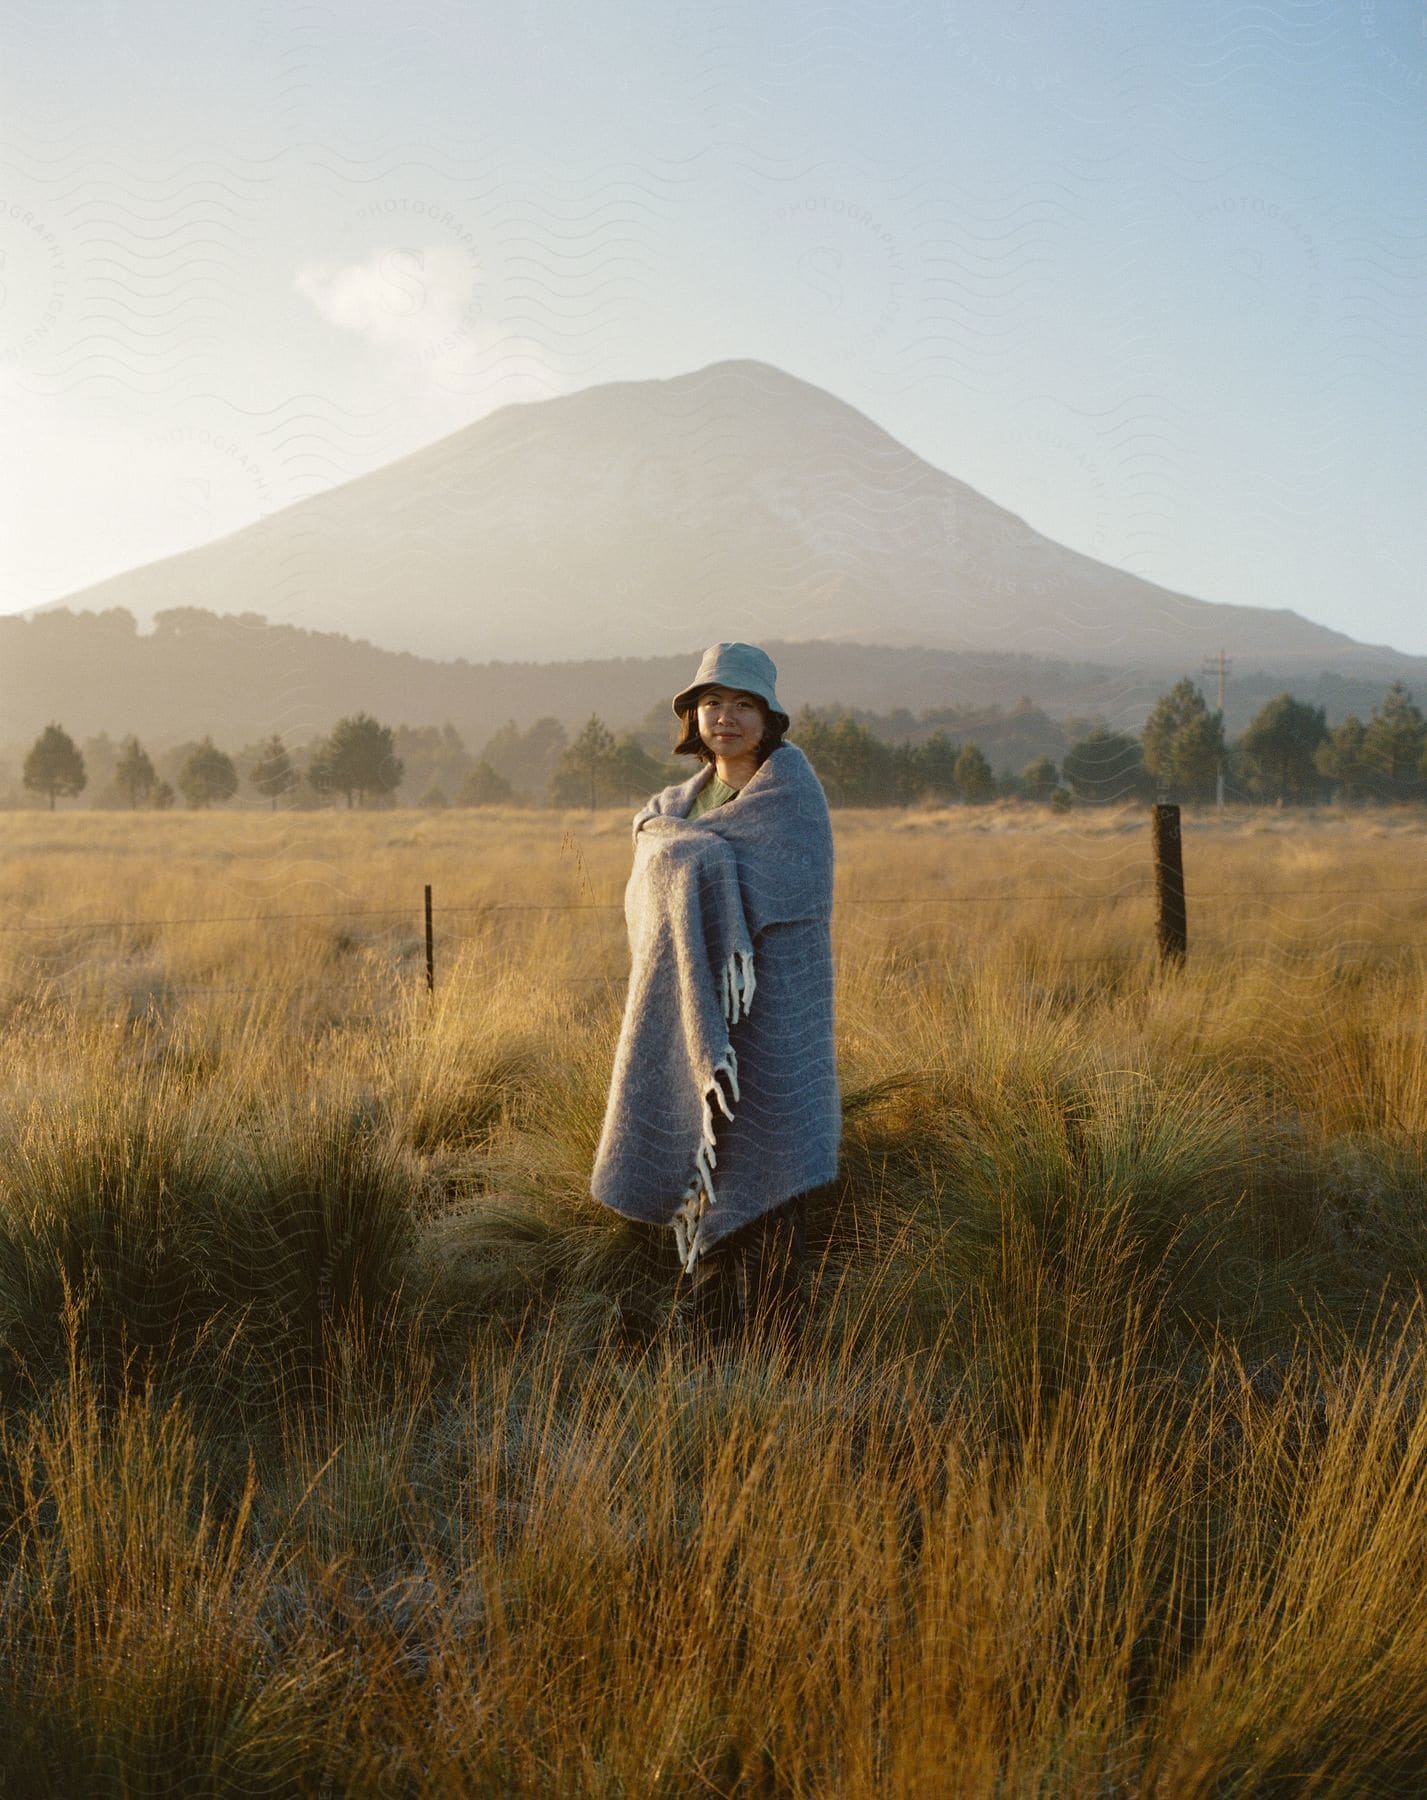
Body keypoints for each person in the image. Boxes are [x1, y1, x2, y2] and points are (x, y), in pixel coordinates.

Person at [590, 643, 840, 1344]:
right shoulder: (668, 810)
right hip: (691, 1017)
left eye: (740, 704)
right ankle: (704, 1341)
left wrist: (696, 858)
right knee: (704, 1181)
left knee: (770, 1189)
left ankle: (778, 1352)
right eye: (710, 704)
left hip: (772, 1023)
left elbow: (796, 896)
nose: (723, 717)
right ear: (691, 718)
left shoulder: (791, 801)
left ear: (767, 719)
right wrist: (690, 857)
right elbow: (650, 904)